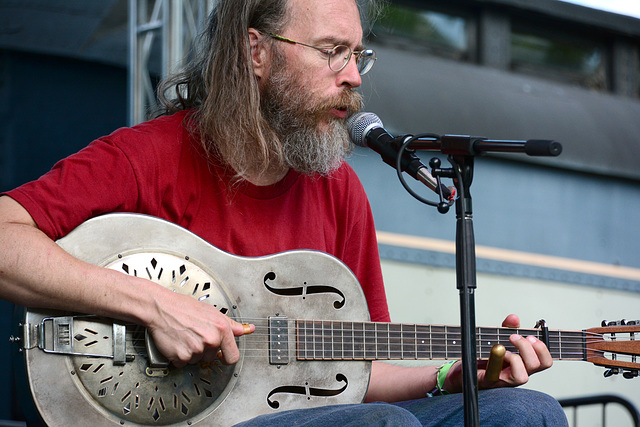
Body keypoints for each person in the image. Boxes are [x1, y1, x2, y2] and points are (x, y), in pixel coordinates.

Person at [0, 0, 567, 425]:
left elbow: (359, 371)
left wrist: (452, 375)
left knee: (526, 412)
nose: (352, 78)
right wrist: (154, 306)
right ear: (256, 52)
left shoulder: (339, 190)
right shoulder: (144, 157)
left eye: (357, 55)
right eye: (331, 52)